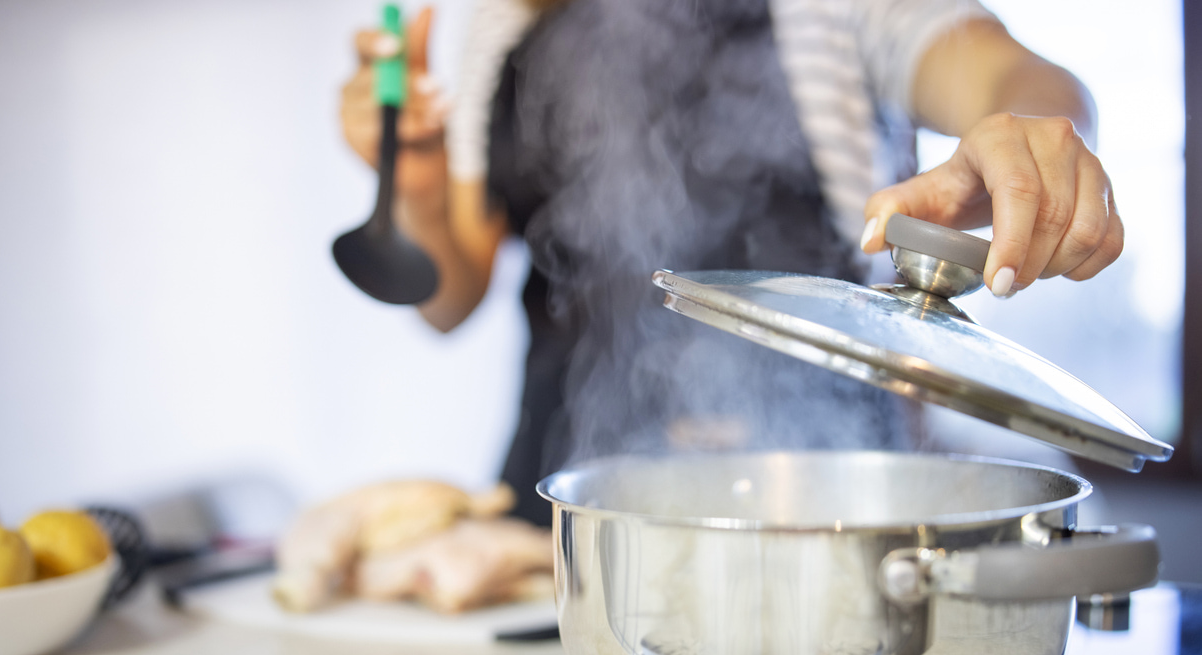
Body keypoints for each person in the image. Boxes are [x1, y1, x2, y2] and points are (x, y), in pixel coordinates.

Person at [340, 0, 1123, 525]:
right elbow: (450, 298)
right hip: (565, 508)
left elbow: (1009, 75)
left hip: (814, 502)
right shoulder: (508, 17)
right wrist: (414, 185)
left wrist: (1027, 127)